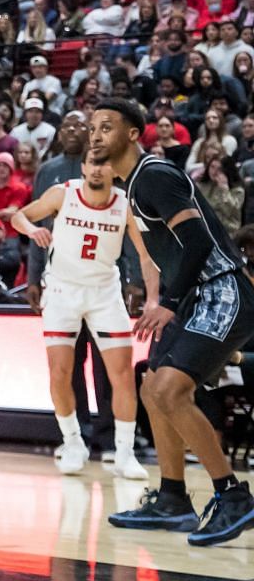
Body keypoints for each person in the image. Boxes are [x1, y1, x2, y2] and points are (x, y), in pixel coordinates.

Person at [90, 98, 254, 545]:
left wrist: (169, 300)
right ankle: (173, 498)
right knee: (151, 386)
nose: (96, 134)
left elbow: (199, 240)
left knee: (169, 390)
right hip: (194, 299)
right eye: (92, 129)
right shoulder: (133, 187)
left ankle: (232, 496)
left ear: (131, 134)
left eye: (107, 126)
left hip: (222, 290)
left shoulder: (154, 176)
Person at [8, 159, 152, 480]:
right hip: (62, 290)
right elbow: (19, 216)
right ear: (83, 168)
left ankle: (125, 452)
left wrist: (151, 295)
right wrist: (33, 230)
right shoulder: (63, 194)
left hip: (104, 291)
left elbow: (145, 253)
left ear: (114, 171)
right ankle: (73, 441)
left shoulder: (125, 205)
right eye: (92, 164)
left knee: (122, 375)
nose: (98, 170)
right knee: (60, 371)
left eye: (104, 165)